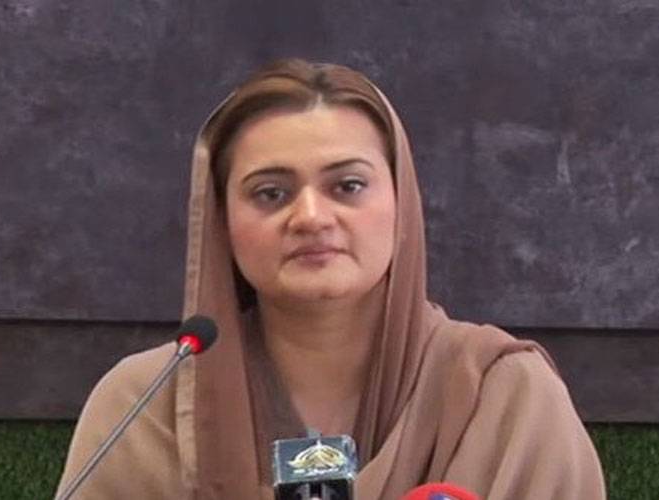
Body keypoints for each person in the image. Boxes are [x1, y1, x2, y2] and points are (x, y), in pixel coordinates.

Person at [56, 59, 606, 499]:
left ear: (403, 203)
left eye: (347, 186)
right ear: (221, 222)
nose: (311, 217)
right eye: (271, 193)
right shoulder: (145, 404)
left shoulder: (505, 395)